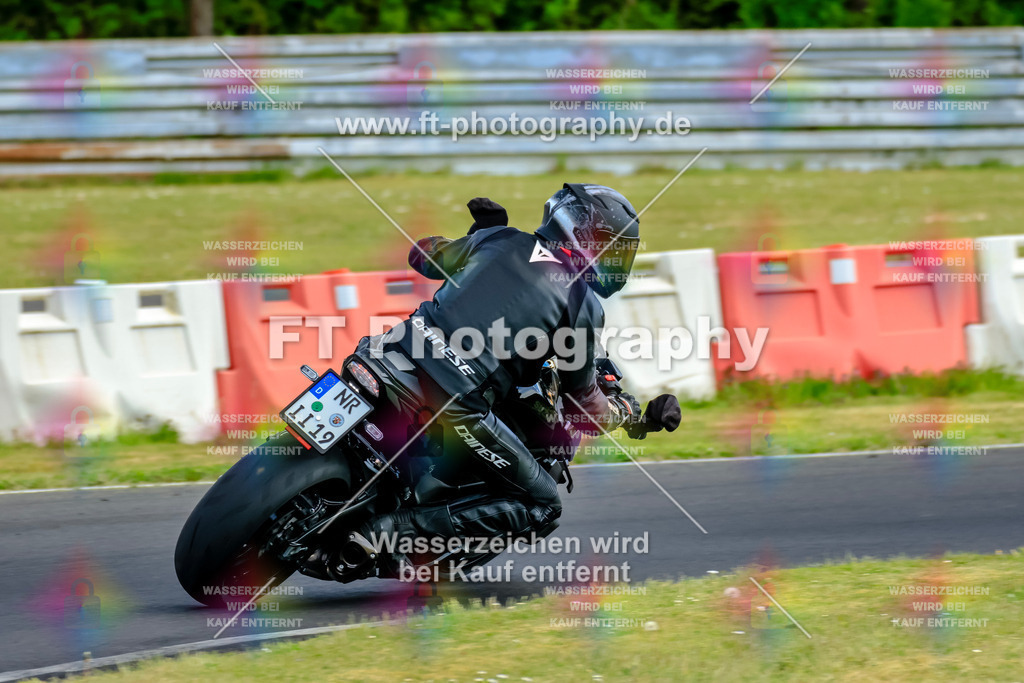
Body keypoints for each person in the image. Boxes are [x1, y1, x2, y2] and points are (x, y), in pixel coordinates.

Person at [347, 184, 665, 574]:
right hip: (456, 399)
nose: (615, 258)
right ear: (584, 236)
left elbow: (422, 256)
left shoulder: (502, 239)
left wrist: (476, 236)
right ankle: (385, 529)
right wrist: (627, 411)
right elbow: (585, 406)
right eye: (610, 245)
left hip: (385, 355)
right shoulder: (580, 303)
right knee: (543, 505)